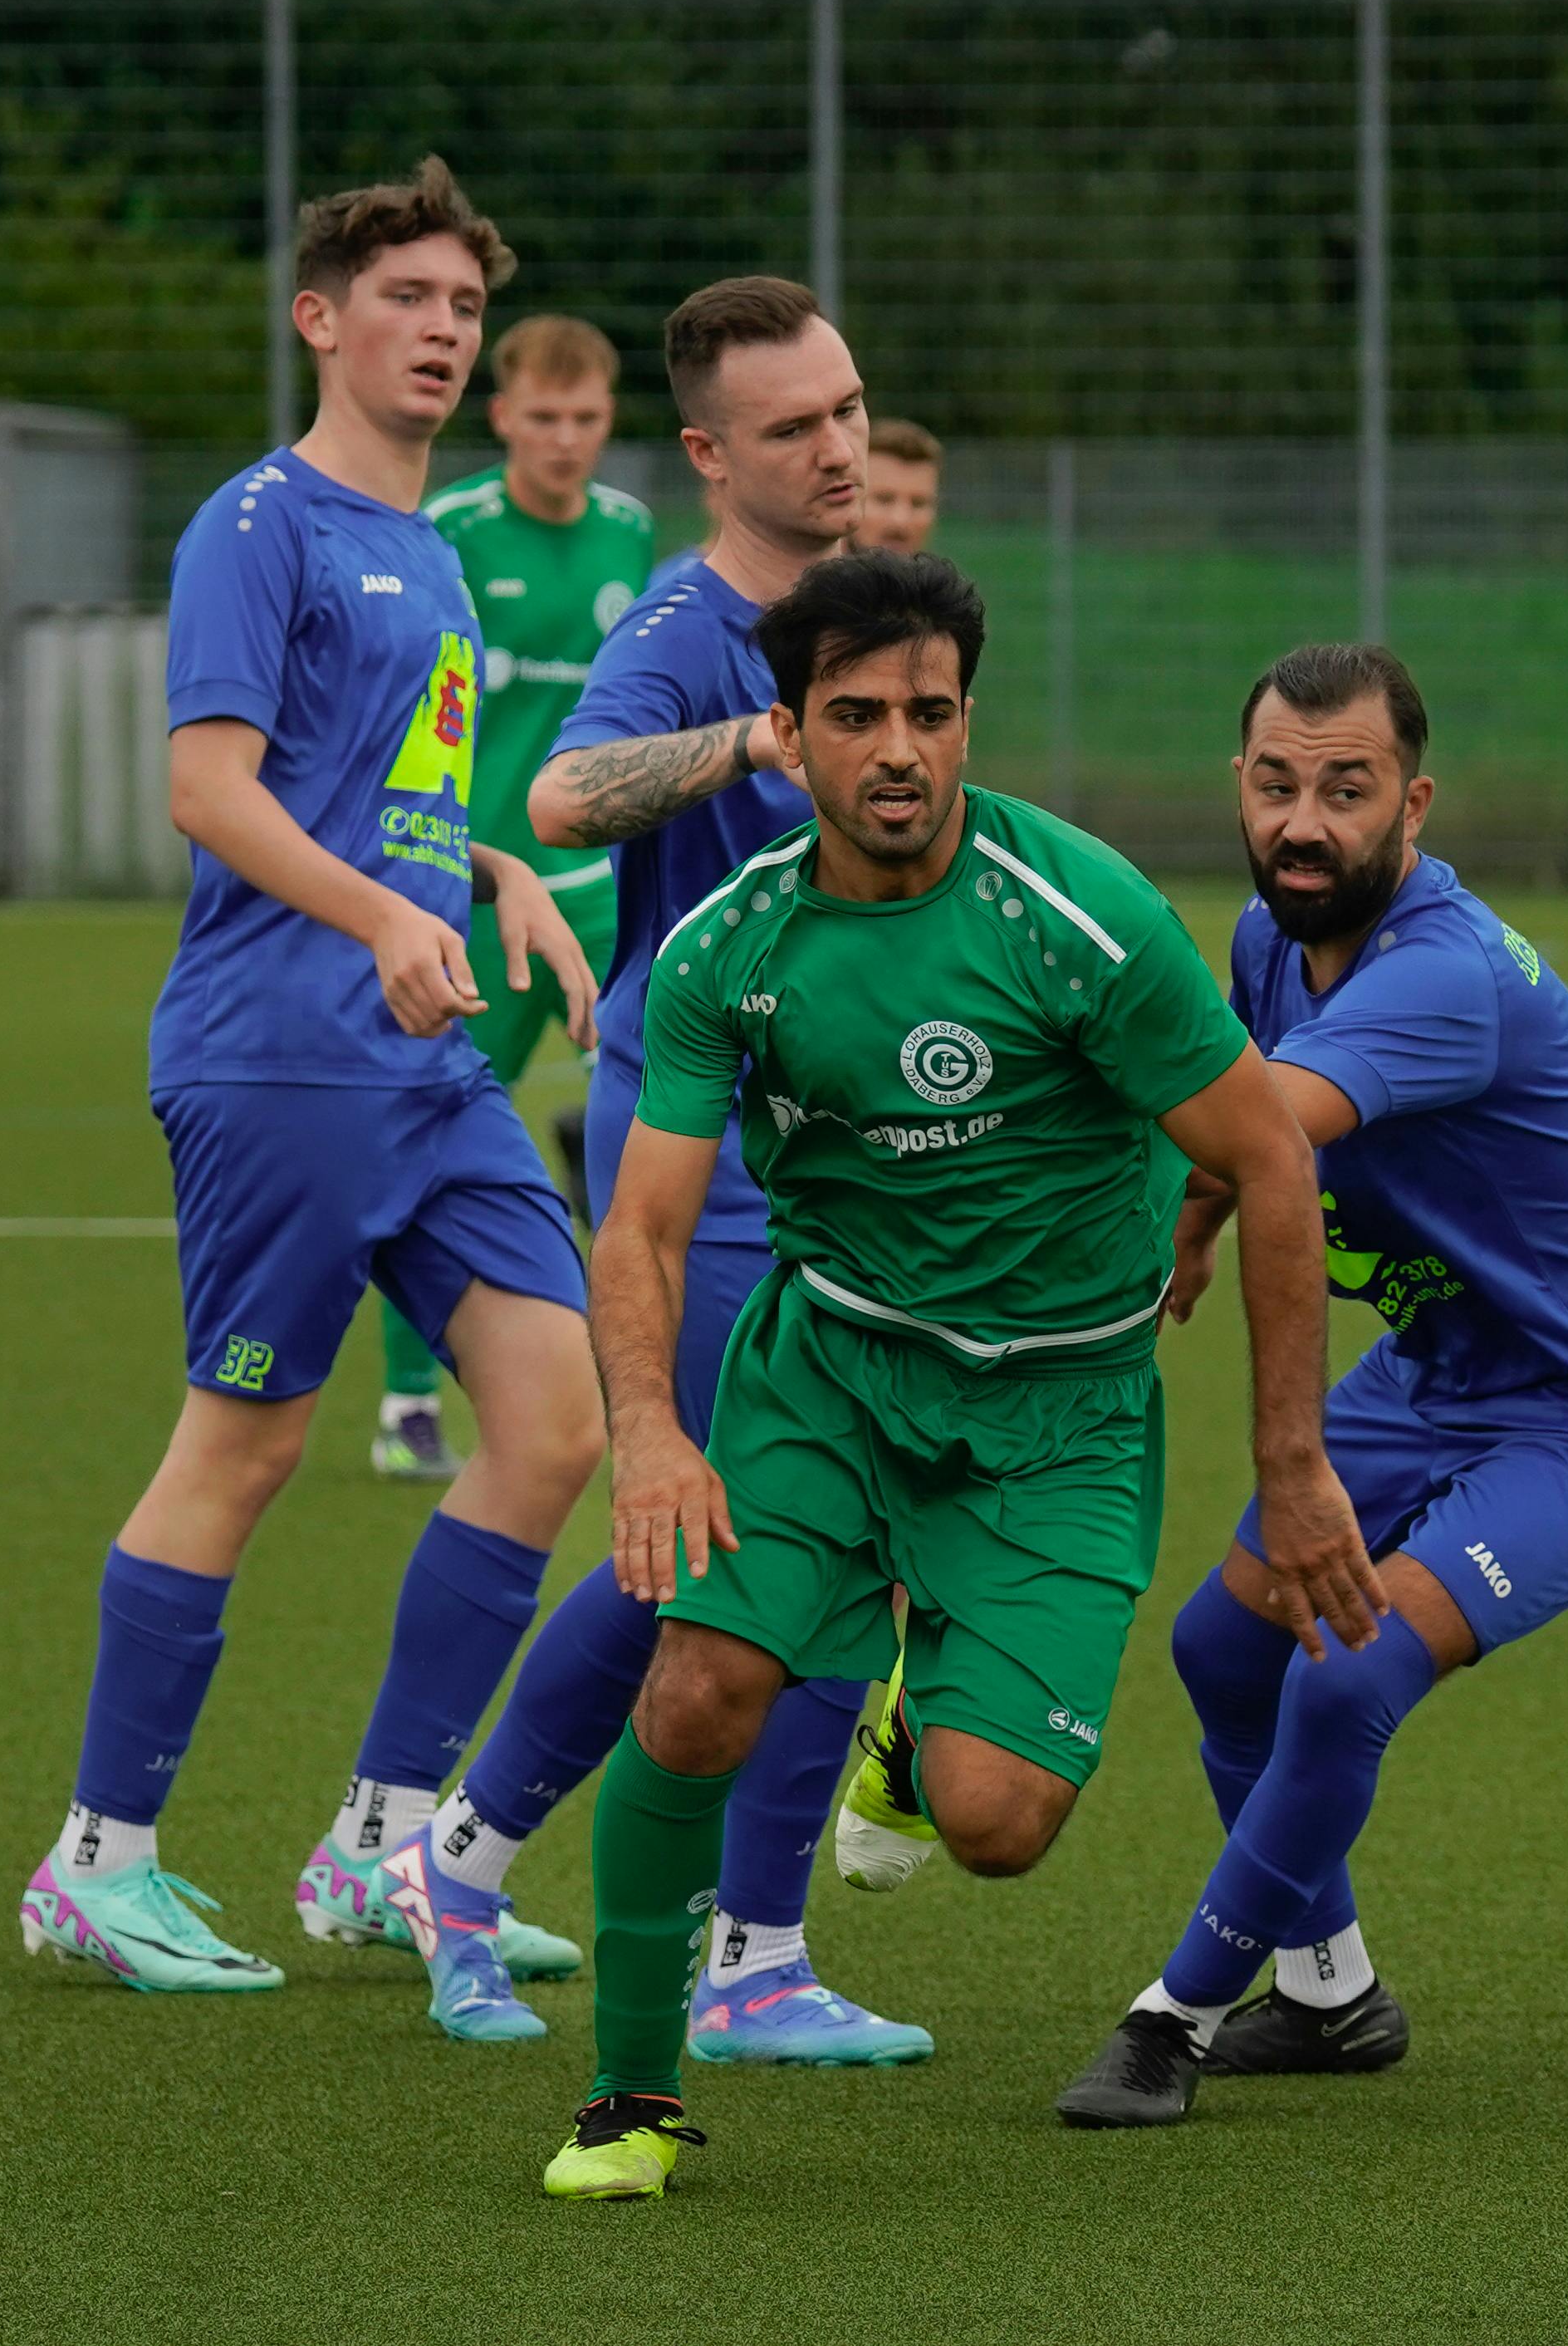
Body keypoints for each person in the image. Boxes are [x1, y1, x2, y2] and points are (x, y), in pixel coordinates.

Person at [522, 549, 1380, 2201]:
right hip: (831, 1376)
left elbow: (1270, 1163)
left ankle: (916, 1712)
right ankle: (633, 2095)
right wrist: (647, 1431)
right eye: (856, 716)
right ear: (791, 731)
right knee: (698, 1686)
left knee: (997, 1825)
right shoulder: (731, 950)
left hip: (1060, 1414)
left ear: (969, 721)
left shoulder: (1082, 919)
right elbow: (640, 1227)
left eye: (930, 711)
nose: (898, 748)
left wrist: (1291, 1460)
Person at [13, 160, 608, 2029]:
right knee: (247, 1445)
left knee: (557, 1419)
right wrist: (375, 914)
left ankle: (383, 1835)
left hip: (424, 1061)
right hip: (278, 1050)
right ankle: (96, 1865)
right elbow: (211, 786)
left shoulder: (435, 553)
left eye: (461, 308)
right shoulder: (253, 526)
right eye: (408, 299)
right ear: (321, 319)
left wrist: (491, 876)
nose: (441, 331)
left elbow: (404, 798)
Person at [1051, 644, 1568, 2128]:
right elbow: (1238, 1090)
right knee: (1223, 1653)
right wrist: (1192, 1212)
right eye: (1278, 783)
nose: (1307, 822)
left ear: (1410, 805)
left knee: (1350, 1669)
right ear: (1239, 784)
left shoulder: (1442, 974)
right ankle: (1329, 1993)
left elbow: (1257, 1118)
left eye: (1346, 791)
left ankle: (1173, 2013)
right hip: (1444, 1364)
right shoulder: (1261, 938)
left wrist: (1073, 1125)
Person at [390, 277, 930, 2064]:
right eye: (795, 427)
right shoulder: (696, 630)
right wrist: (754, 741)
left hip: (852, 1156)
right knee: (701, 1542)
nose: (840, 446)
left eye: (849, 409)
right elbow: (557, 802)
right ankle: (463, 1866)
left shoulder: (883, 618)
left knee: (850, 1539)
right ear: (708, 454)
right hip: (697, 1160)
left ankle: (754, 1952)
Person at [369, 315, 660, 1482]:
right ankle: (405, 1402)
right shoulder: (449, 530)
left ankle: (649, 1364)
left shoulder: (633, 533)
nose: (567, 440)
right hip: (470, 888)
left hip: (592, 885)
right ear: (503, 418)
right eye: (544, 418)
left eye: (587, 419)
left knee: (655, 1110)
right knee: (428, 1131)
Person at [858, 417, 943, 552]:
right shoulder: (812, 572)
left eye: (918, 504)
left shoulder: (951, 574)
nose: (900, 521)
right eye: (884, 500)